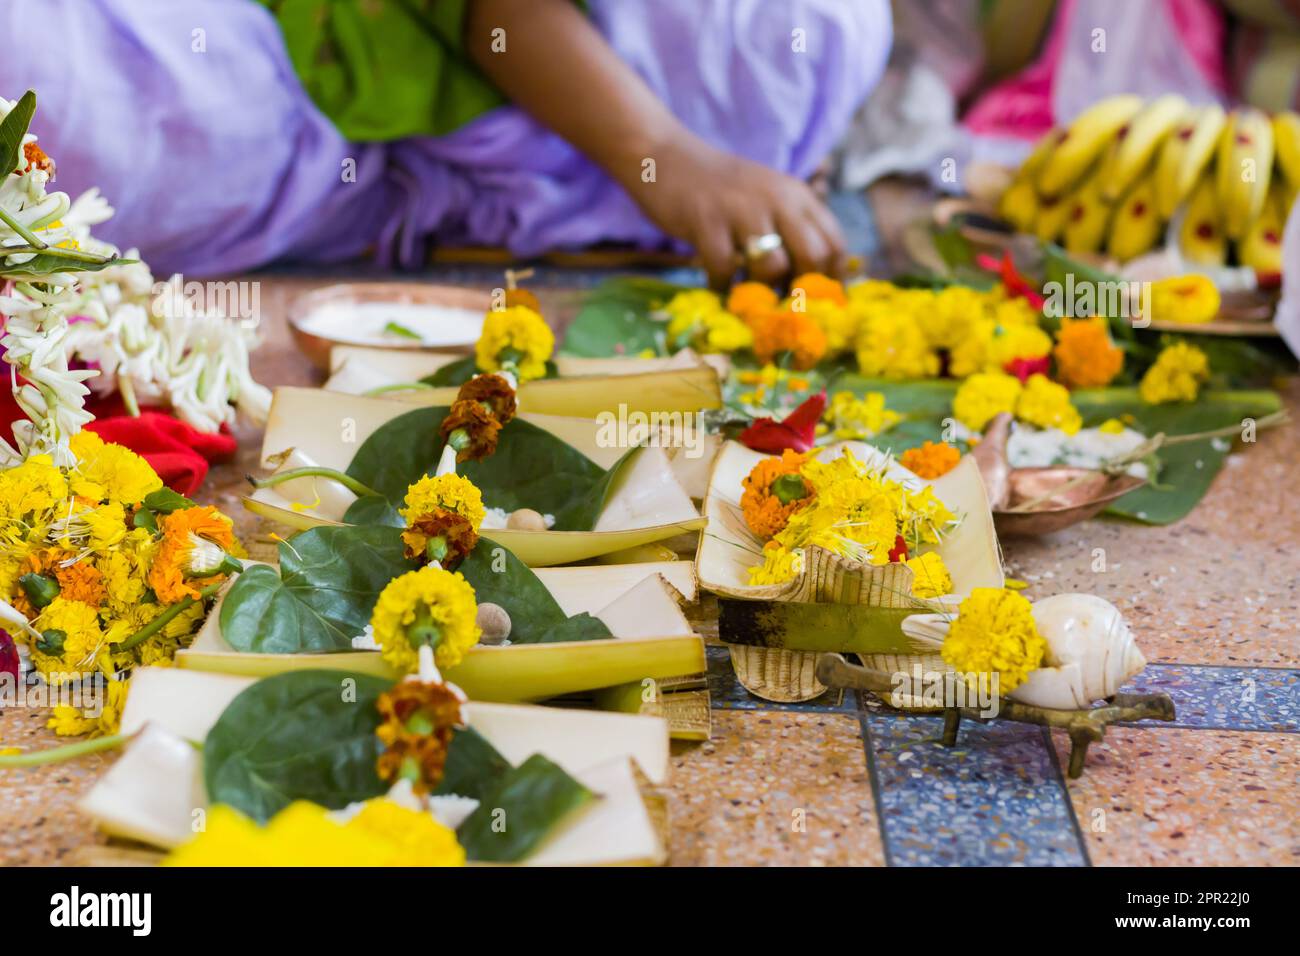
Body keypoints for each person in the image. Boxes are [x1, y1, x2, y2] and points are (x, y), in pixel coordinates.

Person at [1, 0, 890, 285]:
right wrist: (661, 151)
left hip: (309, 145)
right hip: (294, 59)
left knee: (48, 103)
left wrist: (673, 160)